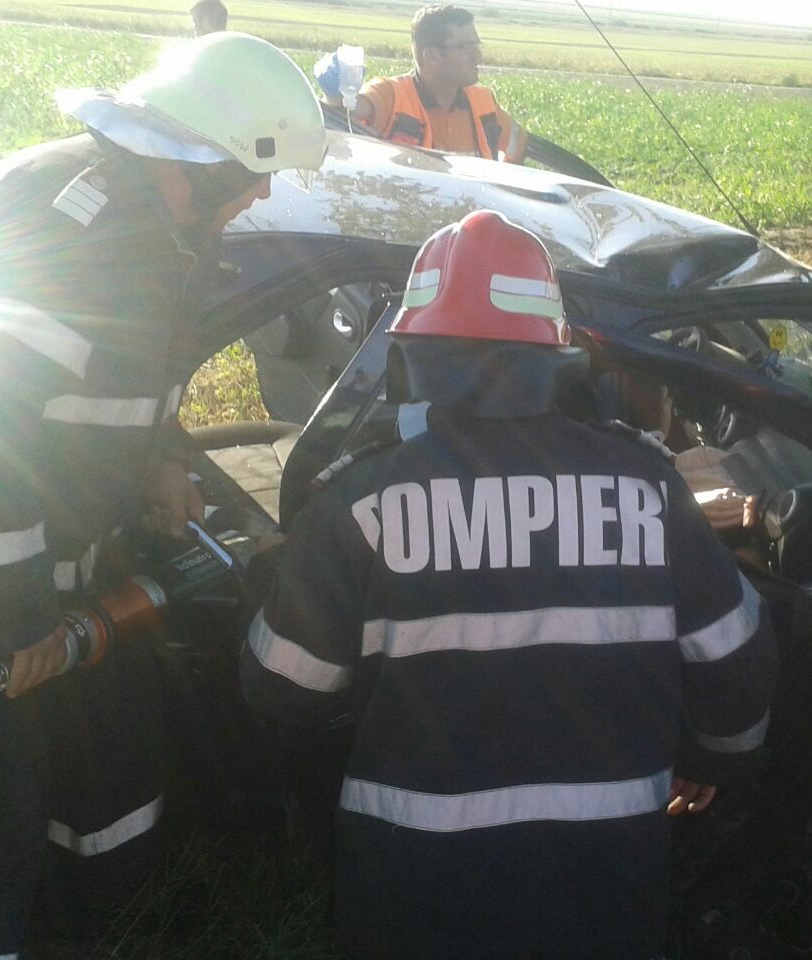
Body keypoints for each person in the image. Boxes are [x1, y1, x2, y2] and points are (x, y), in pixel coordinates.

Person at [0, 33, 325, 960]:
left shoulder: (160, 226)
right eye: (254, 176)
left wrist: (159, 456)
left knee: (100, 780)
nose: (261, 197)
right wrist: (15, 624)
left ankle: (78, 932)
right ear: (199, 160)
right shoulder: (68, 236)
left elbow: (111, 383)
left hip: (37, 571)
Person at [240, 210, 776, 959]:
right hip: (603, 891)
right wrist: (714, 758)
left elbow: (286, 690)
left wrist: (275, 572)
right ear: (556, 353)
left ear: (413, 356)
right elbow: (738, 664)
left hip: (414, 898)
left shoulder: (359, 500)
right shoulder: (648, 489)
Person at [350, 4, 528, 162]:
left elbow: (520, 144)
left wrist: (503, 184)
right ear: (431, 55)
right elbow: (346, 109)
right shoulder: (390, 94)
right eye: (465, 47)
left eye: (476, 45)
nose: (477, 55)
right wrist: (341, 90)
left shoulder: (484, 102)